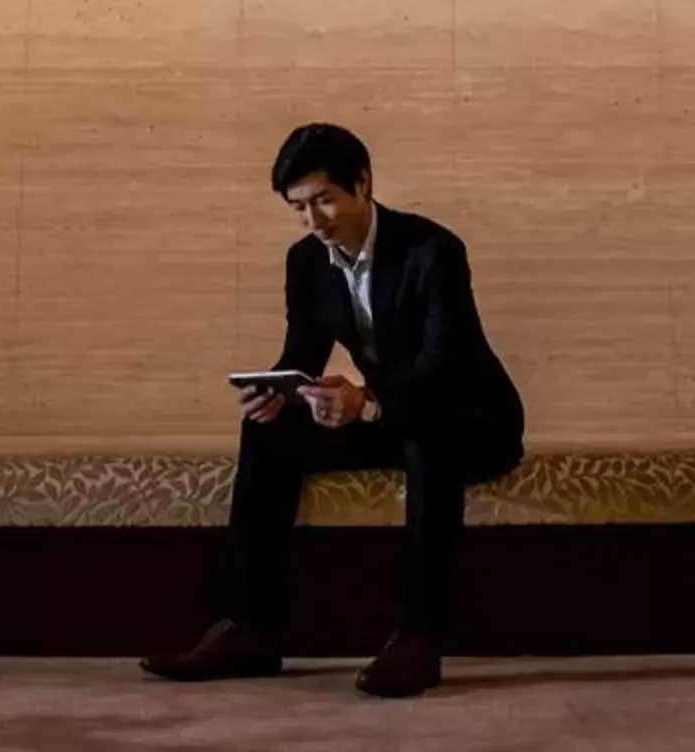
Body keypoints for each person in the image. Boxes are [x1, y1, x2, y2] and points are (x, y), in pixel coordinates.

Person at [141, 122, 527, 698]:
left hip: (471, 418)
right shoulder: (305, 261)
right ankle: (251, 628)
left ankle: (418, 639)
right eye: (298, 207)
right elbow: (302, 354)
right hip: (390, 415)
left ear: (363, 184)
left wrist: (366, 401)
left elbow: (441, 366)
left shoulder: (433, 251)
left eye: (323, 200)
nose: (313, 221)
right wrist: (278, 393)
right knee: (267, 432)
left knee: (428, 437)